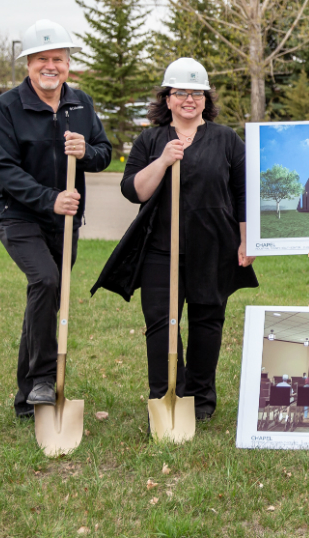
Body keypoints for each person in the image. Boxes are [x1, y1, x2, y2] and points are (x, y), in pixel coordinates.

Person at [92, 58, 257, 422]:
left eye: (197, 92)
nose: (189, 99)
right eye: (180, 92)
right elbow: (133, 191)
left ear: (205, 99)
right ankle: (166, 394)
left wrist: (246, 241)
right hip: (160, 251)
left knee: (207, 323)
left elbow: (243, 193)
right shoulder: (150, 140)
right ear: (167, 99)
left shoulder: (226, 140)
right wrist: (164, 161)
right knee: (159, 324)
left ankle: (200, 400)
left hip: (213, 248)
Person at [0, 19, 111, 419]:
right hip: (18, 214)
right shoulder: (7, 107)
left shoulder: (81, 104)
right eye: (41, 59)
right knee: (45, 280)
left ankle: (27, 398)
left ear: (68, 64)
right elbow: (5, 170)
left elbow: (104, 153)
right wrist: (49, 199)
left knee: (45, 296)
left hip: (65, 220)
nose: (50, 66)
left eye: (57, 58)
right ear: (28, 63)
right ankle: (44, 377)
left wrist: (86, 152)